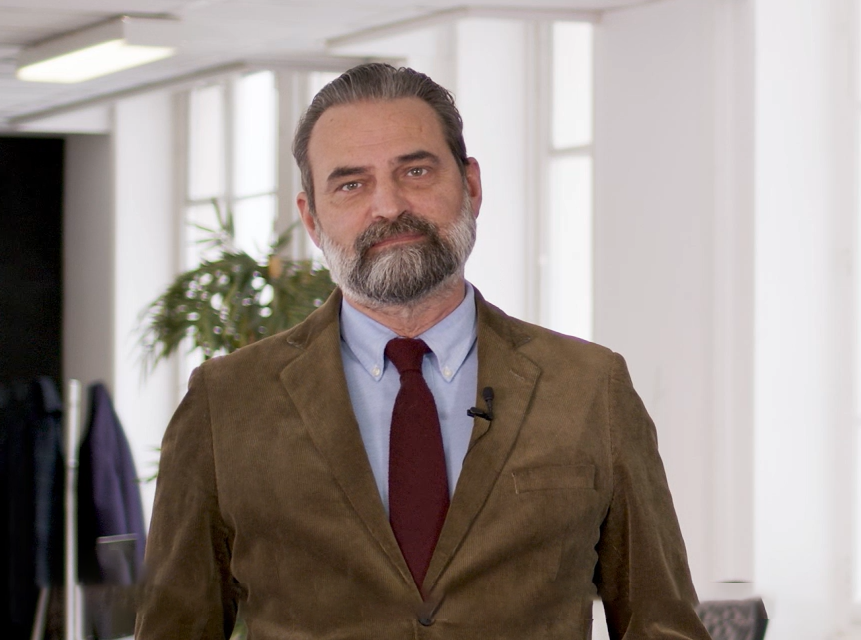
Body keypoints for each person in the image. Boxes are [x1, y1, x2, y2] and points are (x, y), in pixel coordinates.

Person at [135, 63, 710, 639]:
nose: (388, 206)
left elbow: (663, 627)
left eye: (415, 171)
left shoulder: (589, 387)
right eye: (351, 184)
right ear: (311, 217)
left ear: (471, 185)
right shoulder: (227, 401)